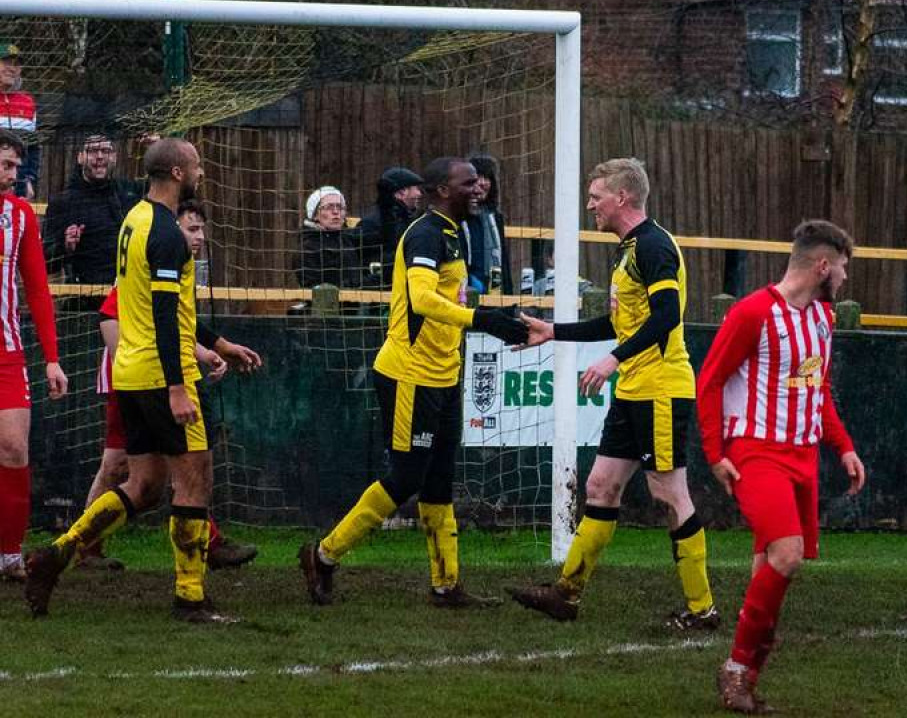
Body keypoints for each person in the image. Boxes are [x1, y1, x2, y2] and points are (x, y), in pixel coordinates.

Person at [25, 138, 261, 623]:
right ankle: (191, 597)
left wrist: (219, 345)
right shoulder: (167, 234)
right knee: (193, 481)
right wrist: (178, 386)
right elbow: (164, 311)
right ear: (177, 172)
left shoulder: (133, 219)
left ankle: (56, 554)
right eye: (195, 164)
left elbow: (162, 305)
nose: (201, 171)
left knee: (146, 484)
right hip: (160, 374)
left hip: (130, 372)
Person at [297, 157, 528, 608]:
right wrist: (484, 319)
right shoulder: (424, 232)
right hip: (409, 374)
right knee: (405, 477)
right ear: (441, 190)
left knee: (440, 480)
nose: (477, 188)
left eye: (478, 183)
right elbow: (421, 299)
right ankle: (323, 555)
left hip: (444, 375)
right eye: (467, 183)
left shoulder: (453, 233)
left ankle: (447, 585)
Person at [507, 158, 716, 628]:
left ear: (621, 198)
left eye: (596, 196)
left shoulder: (654, 247)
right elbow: (620, 322)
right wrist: (554, 331)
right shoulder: (629, 251)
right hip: (634, 389)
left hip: (661, 388)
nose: (590, 205)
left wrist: (614, 359)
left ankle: (703, 610)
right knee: (601, 486)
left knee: (669, 493)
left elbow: (667, 317)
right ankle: (566, 593)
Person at [697, 219, 866, 714]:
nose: (844, 279)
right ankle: (733, 671)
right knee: (787, 556)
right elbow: (708, 381)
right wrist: (715, 455)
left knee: (771, 571)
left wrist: (845, 447)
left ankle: (746, 678)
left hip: (804, 457)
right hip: (757, 452)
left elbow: (820, 390)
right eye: (842, 269)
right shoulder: (752, 313)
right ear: (822, 266)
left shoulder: (822, 320)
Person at [79, 200, 259, 572]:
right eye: (191, 229)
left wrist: (211, 349)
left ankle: (205, 541)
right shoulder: (154, 250)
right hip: (139, 377)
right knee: (121, 467)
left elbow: (176, 321)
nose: (199, 237)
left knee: (177, 468)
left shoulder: (174, 262)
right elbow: (112, 317)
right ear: (171, 226)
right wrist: (131, 367)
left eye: (202, 230)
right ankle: (83, 545)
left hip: (154, 375)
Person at [0, 130, 68, 583]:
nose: (12, 174)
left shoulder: (21, 214)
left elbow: (38, 288)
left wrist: (52, 357)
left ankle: (9, 554)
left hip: (7, 353)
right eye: (5, 164)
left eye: (14, 166)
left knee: (14, 447)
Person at [42, 133, 147, 284]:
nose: (99, 156)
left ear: (114, 157)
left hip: (125, 294)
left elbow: (166, 188)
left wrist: (155, 148)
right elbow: (46, 263)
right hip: (81, 298)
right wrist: (65, 246)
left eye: (105, 151)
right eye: (92, 151)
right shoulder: (63, 202)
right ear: (80, 157)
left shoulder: (129, 192)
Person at [357, 166, 424, 286]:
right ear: (401, 193)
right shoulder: (372, 224)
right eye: (416, 189)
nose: (419, 193)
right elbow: (367, 263)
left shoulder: (410, 220)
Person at [460, 154, 513, 295]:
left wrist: (508, 296)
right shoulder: (457, 216)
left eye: (487, 178)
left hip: (493, 285)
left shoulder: (495, 218)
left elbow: (503, 261)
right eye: (478, 178)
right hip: (465, 288)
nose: (482, 183)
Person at [295, 186, 366, 289]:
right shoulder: (308, 247)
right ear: (314, 215)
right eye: (329, 207)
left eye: (340, 207)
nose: (336, 212)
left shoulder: (347, 239)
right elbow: (313, 290)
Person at [0, 42, 40, 199]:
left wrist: (29, 180)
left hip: (18, 186)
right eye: (6, 62)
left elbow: (34, 147)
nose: (12, 68)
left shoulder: (28, 102)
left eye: (16, 64)